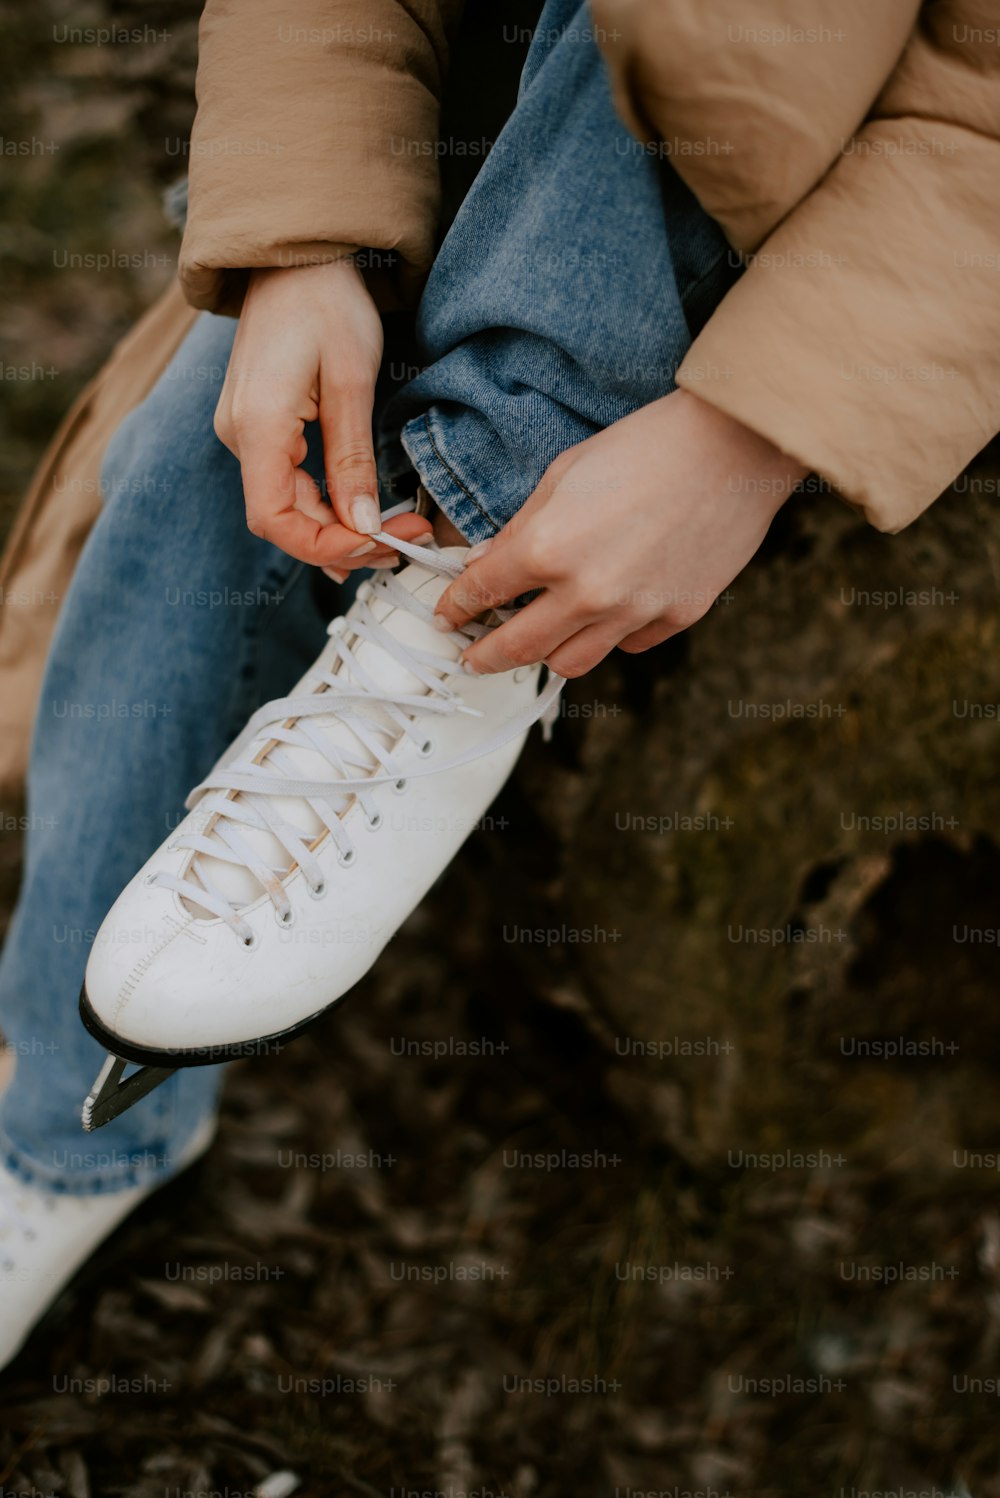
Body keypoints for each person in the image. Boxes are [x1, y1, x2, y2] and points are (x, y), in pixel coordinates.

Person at [1, 0, 997, 1368]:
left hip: (881, 207)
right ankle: (69, 1143)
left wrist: (759, 428)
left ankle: (455, 605)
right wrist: (300, 237)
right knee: (192, 472)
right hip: (502, 108)